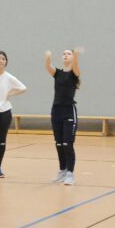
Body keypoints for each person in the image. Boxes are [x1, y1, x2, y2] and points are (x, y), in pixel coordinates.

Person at [45, 49, 81, 186]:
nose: (65, 55)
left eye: (68, 53)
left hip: (68, 112)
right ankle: (62, 170)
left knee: (67, 143)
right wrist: (48, 57)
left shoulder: (74, 73)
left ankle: (70, 173)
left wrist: (76, 55)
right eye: (64, 53)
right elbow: (48, 67)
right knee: (59, 143)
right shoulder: (57, 73)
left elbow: (76, 66)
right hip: (56, 111)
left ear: (72, 58)